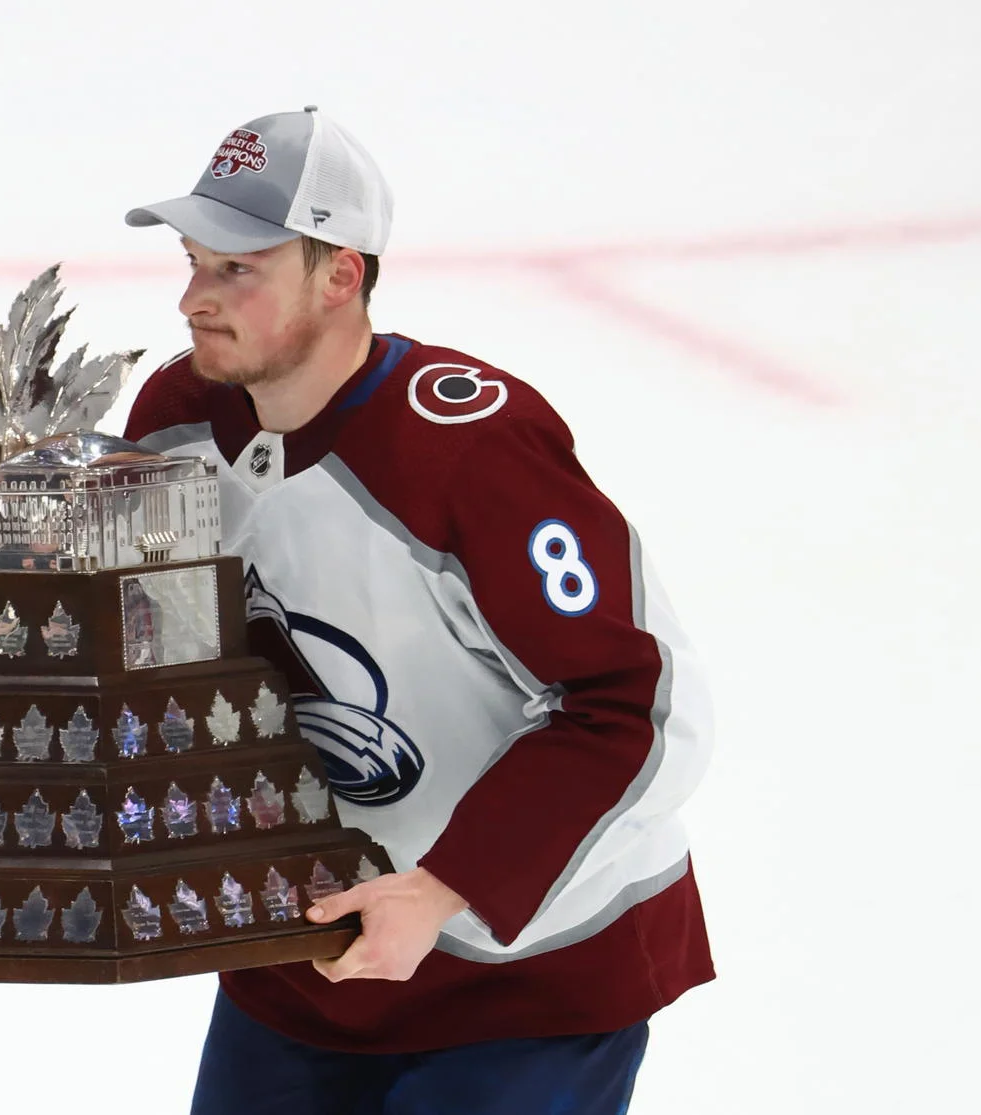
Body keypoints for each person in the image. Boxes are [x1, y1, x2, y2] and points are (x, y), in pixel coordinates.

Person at [120, 106, 715, 1115]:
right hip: (302, 957)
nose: (192, 300)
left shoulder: (472, 453)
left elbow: (632, 705)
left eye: (236, 270)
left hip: (527, 977)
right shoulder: (176, 420)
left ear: (339, 272)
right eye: (191, 262)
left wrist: (443, 886)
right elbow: (167, 658)